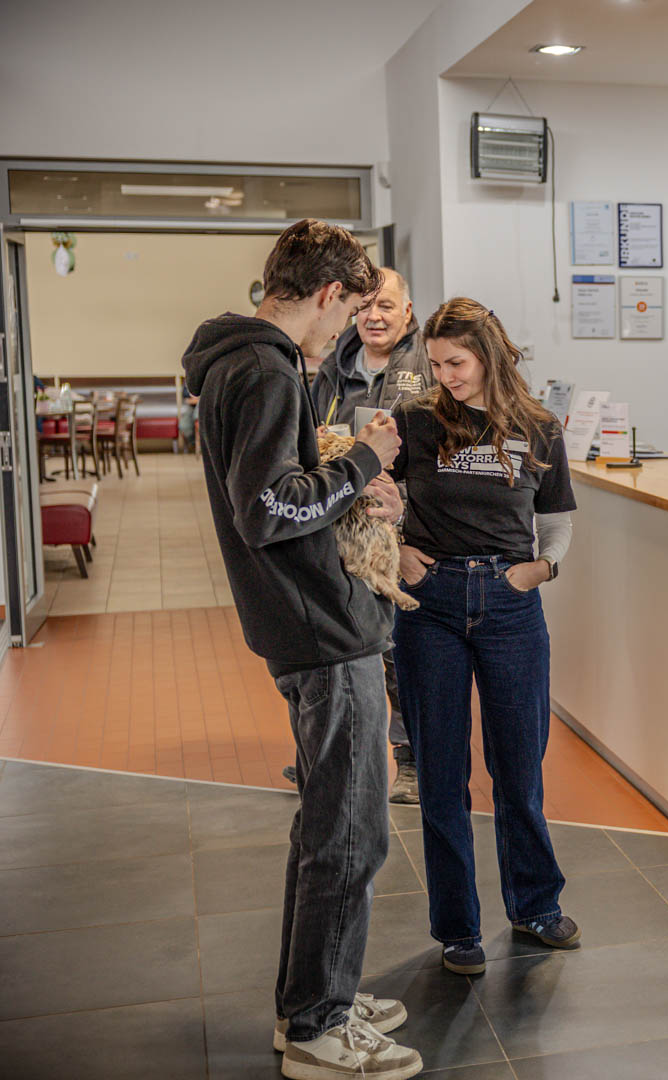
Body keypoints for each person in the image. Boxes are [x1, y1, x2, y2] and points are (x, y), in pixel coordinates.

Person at [182, 218, 421, 1080]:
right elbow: (271, 509)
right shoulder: (264, 369)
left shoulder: (243, 363)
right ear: (328, 294)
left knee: (333, 824)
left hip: (308, 621)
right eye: (351, 310)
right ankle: (319, 1024)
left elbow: (271, 492)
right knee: (351, 833)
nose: (350, 326)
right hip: (320, 628)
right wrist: (362, 462)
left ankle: (315, 997)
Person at [389, 297, 579, 977]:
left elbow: (556, 519)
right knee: (441, 777)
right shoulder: (413, 419)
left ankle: (535, 904)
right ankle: (457, 928)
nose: (445, 376)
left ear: (489, 356)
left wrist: (541, 569)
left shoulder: (539, 427)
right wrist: (395, 551)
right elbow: (373, 498)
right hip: (430, 604)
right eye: (437, 364)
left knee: (519, 770)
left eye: (457, 363)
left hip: (510, 604)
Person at [309, 268, 433, 805]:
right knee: (343, 646)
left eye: (387, 306)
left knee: (399, 654)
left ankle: (411, 761)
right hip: (342, 524)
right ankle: (335, 756)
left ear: (408, 311)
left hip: (403, 528)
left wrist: (408, 520)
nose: (374, 317)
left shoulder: (427, 367)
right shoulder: (334, 368)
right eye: (366, 307)